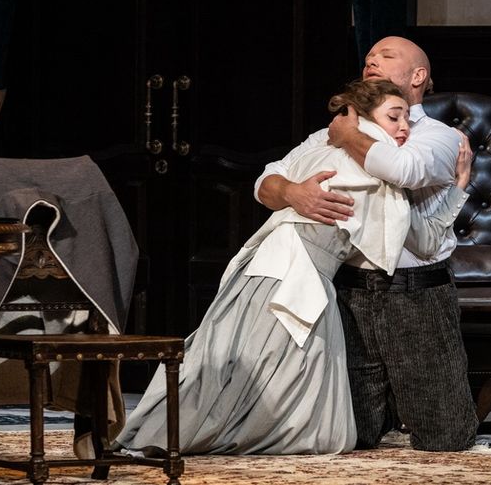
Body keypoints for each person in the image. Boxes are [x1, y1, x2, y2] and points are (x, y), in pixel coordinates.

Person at [114, 79, 472, 456]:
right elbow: (423, 238)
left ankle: (162, 433)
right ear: (363, 118)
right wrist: (459, 185)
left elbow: (273, 176)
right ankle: (182, 436)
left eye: (407, 119)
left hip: (262, 270)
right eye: (394, 117)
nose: (404, 128)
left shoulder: (327, 148)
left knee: (231, 366)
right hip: (293, 277)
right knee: (262, 379)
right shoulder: (374, 170)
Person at [255, 36, 479, 452]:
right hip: (348, 292)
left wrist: (348, 138)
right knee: (351, 436)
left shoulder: (438, 136)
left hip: (415, 296)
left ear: (418, 76)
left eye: (386, 55)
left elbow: (403, 169)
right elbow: (267, 179)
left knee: (446, 437)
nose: (371, 60)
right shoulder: (335, 130)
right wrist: (291, 192)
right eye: (369, 56)